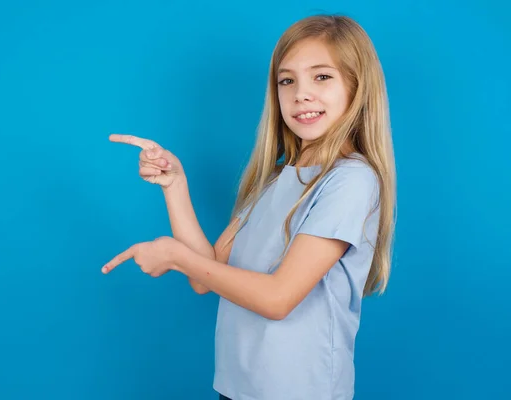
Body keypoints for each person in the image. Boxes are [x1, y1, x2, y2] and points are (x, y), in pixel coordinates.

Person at [103, 13, 396, 400]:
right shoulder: (276, 179)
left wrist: (175, 256)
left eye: (322, 77)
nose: (301, 94)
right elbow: (203, 276)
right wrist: (175, 185)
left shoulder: (351, 180)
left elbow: (278, 299)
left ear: (357, 88)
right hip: (238, 387)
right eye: (287, 80)